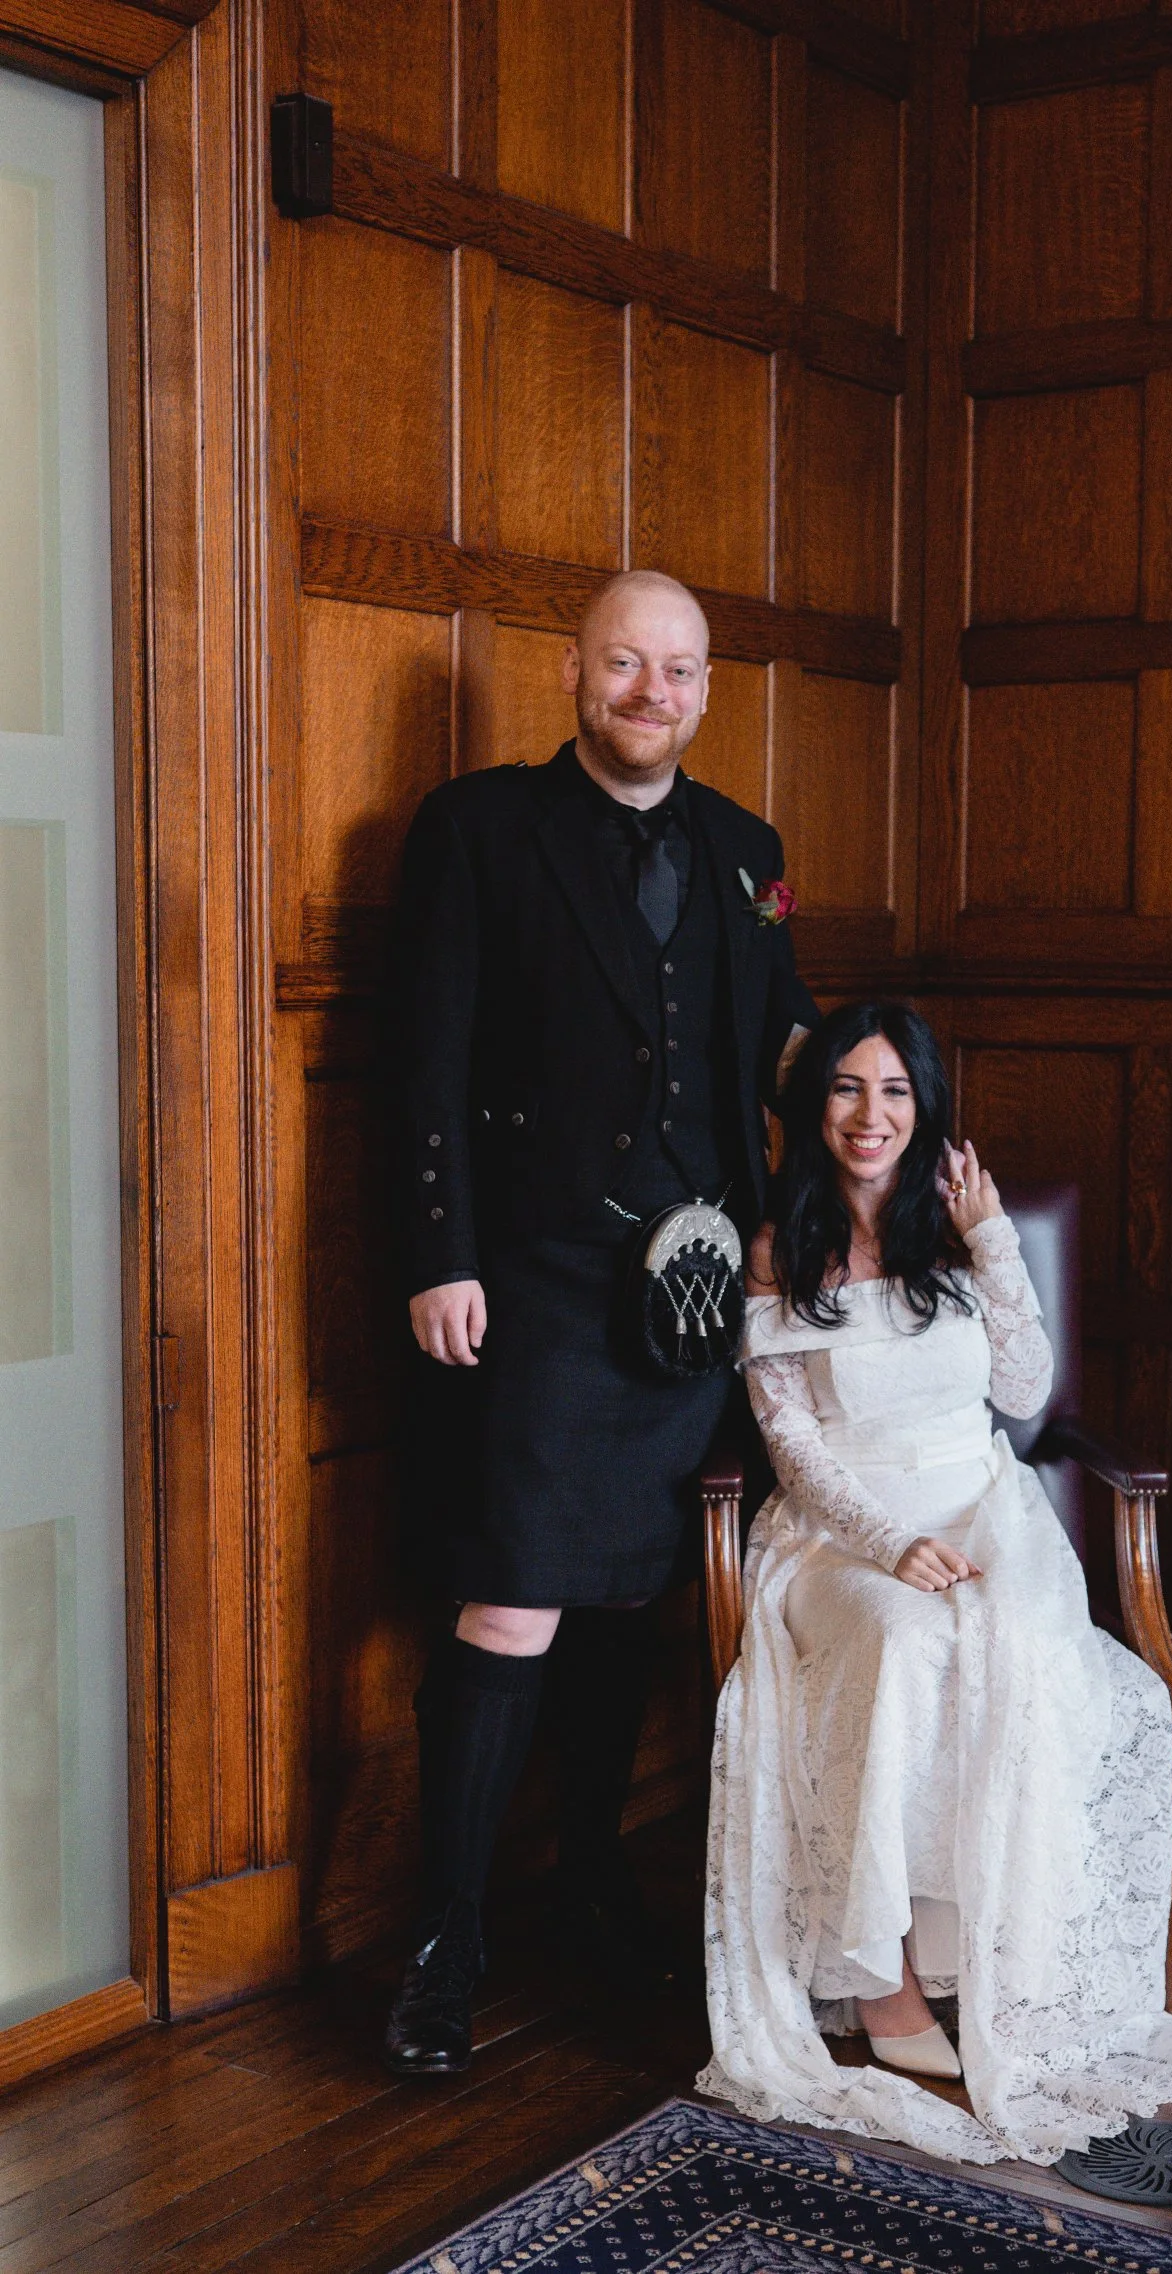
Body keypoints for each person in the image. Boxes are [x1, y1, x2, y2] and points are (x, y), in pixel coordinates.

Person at [385, 569, 815, 2075]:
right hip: (547, 1275)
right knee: (514, 1596)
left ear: (708, 687)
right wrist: (443, 1252)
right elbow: (422, 1053)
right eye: (626, 661)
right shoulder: (484, 827)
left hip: (700, 1294)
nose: (653, 689)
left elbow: (782, 1037)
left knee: (634, 1594)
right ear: (575, 670)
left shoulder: (746, 849)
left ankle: (586, 1877)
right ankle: (447, 1942)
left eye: (680, 669)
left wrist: (884, 1114)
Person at [699, 1002, 1172, 2162]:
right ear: (812, 1106)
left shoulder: (956, 1233)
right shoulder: (778, 1247)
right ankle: (881, 1989)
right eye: (844, 1089)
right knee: (903, 1637)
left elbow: (1024, 1395)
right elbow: (795, 1447)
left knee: (1025, 1646)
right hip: (841, 1534)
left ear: (922, 1106)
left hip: (982, 1504)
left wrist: (991, 1242)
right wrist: (887, 1545)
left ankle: (994, 1951)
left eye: (892, 1091)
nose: (868, 1115)